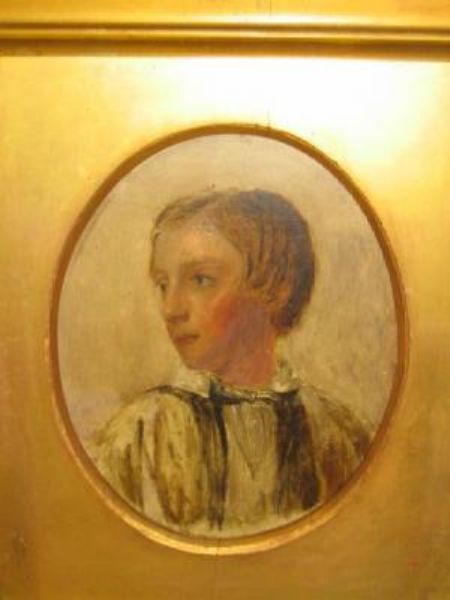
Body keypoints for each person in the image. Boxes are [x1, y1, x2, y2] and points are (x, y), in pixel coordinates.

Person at [89, 189, 370, 536]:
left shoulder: (338, 436)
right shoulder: (137, 435)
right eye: (163, 285)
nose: (171, 309)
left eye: (201, 280)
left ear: (275, 287)